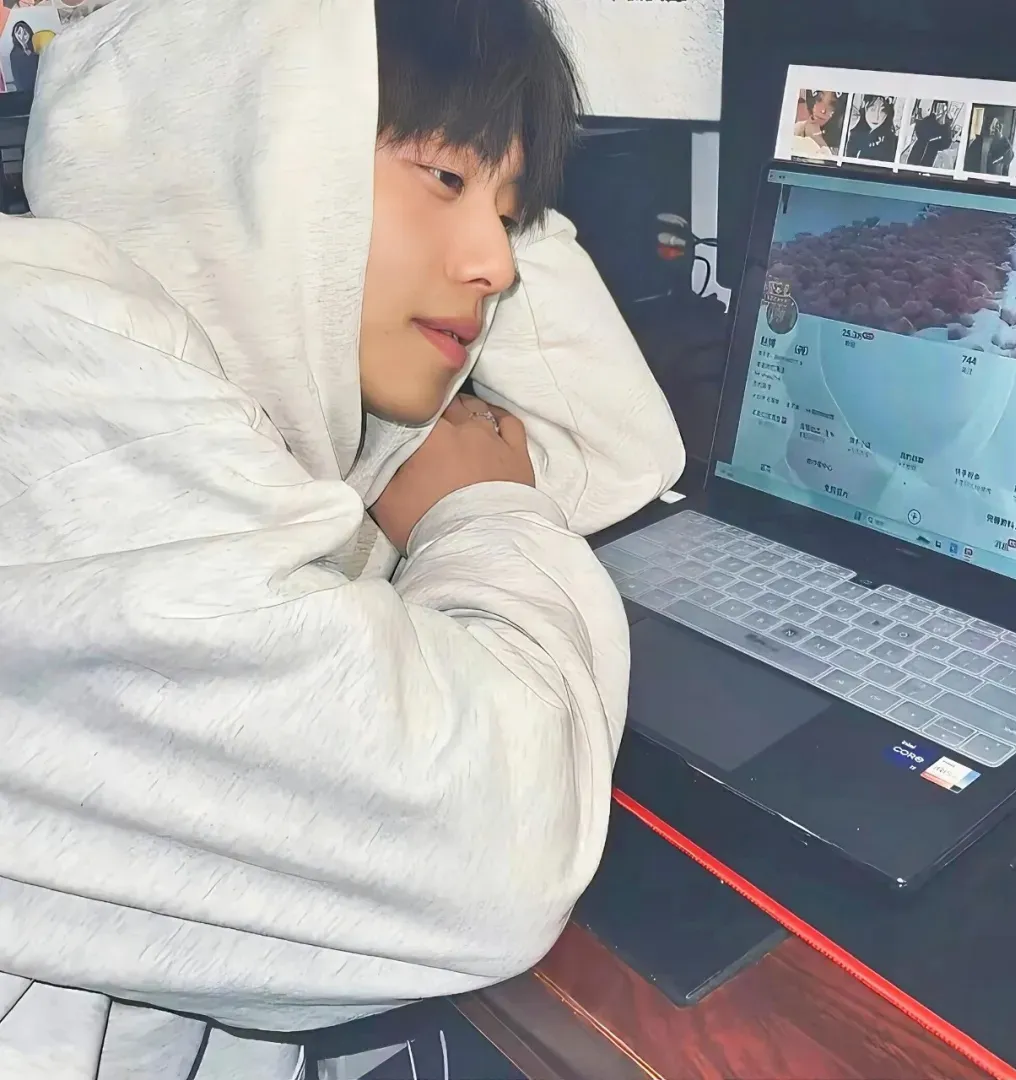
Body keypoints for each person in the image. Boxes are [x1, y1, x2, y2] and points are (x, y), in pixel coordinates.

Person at [0, 0, 685, 1077]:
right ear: (247, 134)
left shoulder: (278, 407)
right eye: (444, 177)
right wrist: (480, 511)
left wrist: (490, 183)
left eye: (511, 217)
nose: (499, 264)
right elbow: (492, 863)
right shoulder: (48, 376)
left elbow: (618, 453)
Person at [845, 95, 898, 163]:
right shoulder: (852, 134)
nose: (877, 117)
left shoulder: (891, 141)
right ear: (865, 107)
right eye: (872, 109)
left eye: (882, 111)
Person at [905, 100, 956, 169]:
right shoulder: (928, 120)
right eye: (937, 106)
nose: (939, 110)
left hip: (929, 156)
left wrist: (935, 143)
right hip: (917, 152)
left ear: (945, 109)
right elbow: (918, 130)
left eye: (942, 107)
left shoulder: (945, 127)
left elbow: (946, 143)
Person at [792, 89, 840, 158]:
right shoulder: (796, 129)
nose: (823, 110)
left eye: (832, 104)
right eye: (819, 99)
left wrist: (818, 139)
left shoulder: (841, 145)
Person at [7, 18, 36, 91]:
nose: (22, 37)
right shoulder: (14, 54)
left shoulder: (35, 48)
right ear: (15, 35)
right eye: (19, 33)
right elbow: (18, 78)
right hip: (25, 90)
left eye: (25, 33)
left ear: (29, 33)